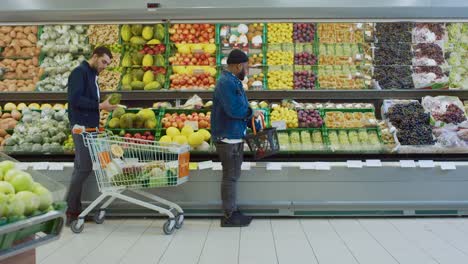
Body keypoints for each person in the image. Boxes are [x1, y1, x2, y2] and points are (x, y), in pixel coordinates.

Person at [65, 46, 117, 225]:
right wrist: (101, 106)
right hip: (81, 128)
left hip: (89, 128)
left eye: (107, 64)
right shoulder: (79, 73)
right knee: (84, 168)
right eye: (103, 62)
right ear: (94, 57)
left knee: (81, 167)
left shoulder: (92, 75)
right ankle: (71, 211)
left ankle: (75, 210)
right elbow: (75, 99)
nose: (104, 66)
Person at [211, 49, 263, 227]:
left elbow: (238, 106)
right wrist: (250, 112)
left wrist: (250, 120)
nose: (246, 72)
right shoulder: (226, 83)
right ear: (238, 66)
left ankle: (232, 209)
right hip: (228, 137)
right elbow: (234, 110)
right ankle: (230, 215)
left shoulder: (232, 81)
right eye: (246, 68)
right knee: (230, 177)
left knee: (232, 175)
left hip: (233, 135)